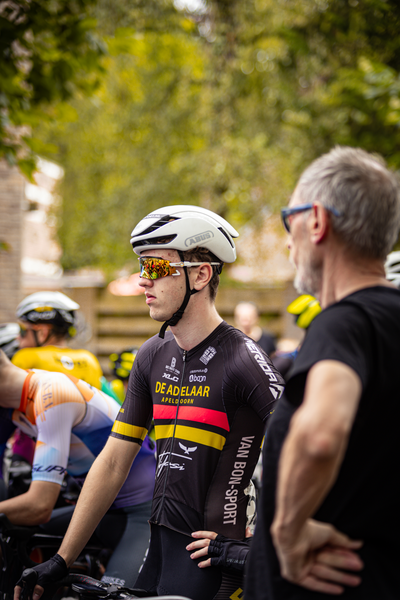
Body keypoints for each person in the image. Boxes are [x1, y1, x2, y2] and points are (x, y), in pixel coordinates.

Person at [15, 205, 285, 600]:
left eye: (156, 268)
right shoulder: (151, 355)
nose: (144, 281)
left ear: (201, 274)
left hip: (214, 559)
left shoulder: (243, 358)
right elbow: (113, 462)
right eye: (141, 267)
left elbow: (309, 448)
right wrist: (61, 558)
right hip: (157, 551)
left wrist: (264, 541)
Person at [245, 146, 400, 599]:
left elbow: (321, 435)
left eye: (285, 218)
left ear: (316, 221)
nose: (286, 241)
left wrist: (288, 536)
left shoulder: (342, 324)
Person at [0, 351, 155, 586]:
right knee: (15, 537)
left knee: (112, 595)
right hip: (100, 507)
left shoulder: (52, 393)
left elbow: (39, 505)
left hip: (143, 511)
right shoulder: (14, 402)